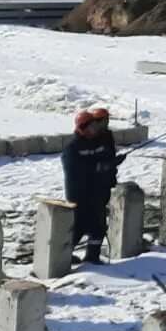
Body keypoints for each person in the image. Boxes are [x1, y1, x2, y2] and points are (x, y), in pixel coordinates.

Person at [61, 106, 124, 266]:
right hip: (80, 193)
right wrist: (99, 168)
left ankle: (92, 256)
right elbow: (75, 170)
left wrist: (111, 165)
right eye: (92, 126)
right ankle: (62, 255)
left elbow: (106, 157)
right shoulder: (73, 147)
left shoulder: (101, 140)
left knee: (98, 224)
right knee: (80, 225)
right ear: (83, 128)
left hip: (99, 190)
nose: (96, 129)